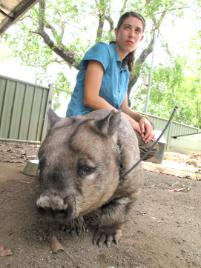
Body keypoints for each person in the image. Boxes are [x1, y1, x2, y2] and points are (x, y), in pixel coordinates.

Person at [66, 11, 157, 159]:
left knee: (150, 145)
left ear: (141, 38)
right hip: (83, 121)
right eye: (127, 28)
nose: (132, 34)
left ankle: (102, 167)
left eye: (137, 31)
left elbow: (124, 108)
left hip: (107, 122)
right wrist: (129, 122)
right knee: (122, 126)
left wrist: (141, 119)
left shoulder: (125, 70)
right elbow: (90, 98)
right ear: (117, 31)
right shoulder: (102, 50)